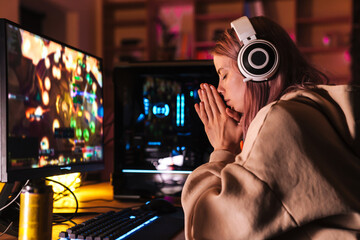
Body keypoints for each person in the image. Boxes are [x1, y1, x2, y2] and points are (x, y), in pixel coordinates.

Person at [181, 15, 360, 239]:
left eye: (224, 75)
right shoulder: (309, 109)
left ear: (258, 62)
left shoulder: (279, 120)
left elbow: (207, 230)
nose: (219, 89)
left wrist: (222, 149)